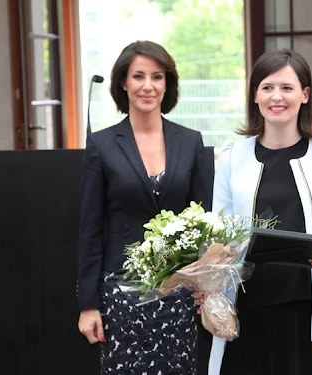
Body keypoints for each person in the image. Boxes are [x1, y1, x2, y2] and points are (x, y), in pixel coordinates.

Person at [200, 49, 312, 375]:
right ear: (255, 95)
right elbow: (219, 237)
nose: (276, 96)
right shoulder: (233, 156)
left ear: (305, 95)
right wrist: (205, 278)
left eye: (287, 88)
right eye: (267, 87)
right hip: (246, 315)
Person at [77, 40, 212, 373]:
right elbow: (90, 229)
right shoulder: (102, 144)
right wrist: (88, 305)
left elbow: (204, 222)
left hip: (178, 292)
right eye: (138, 76)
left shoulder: (191, 141)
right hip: (120, 293)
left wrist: (209, 287)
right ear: (123, 82)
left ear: (168, 84)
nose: (148, 86)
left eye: (157, 76)